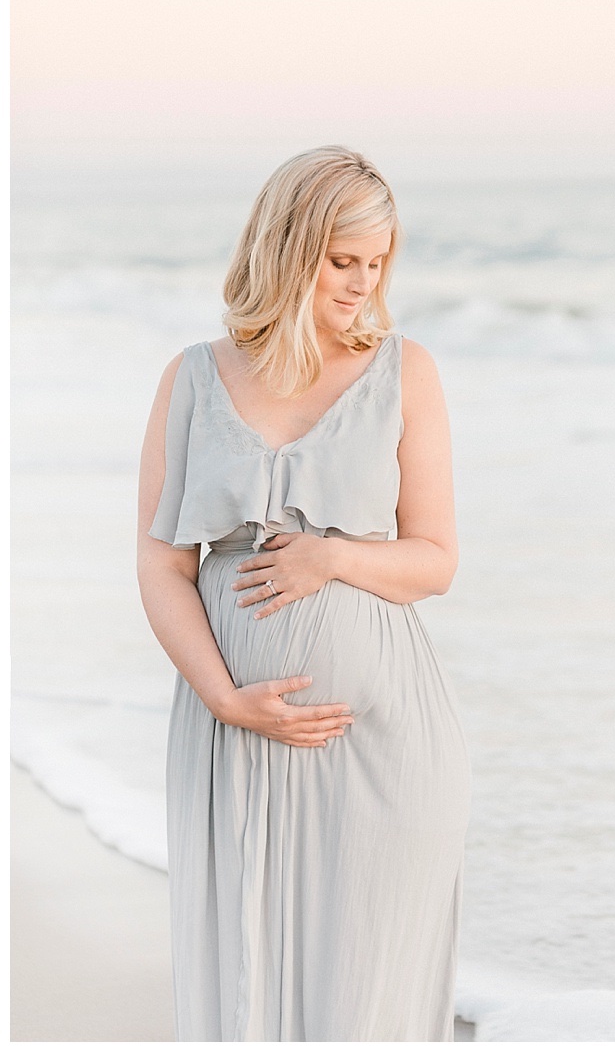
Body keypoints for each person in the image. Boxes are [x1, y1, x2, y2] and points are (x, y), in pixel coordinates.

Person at [137, 145, 472, 1041]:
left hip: (384, 741)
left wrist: (329, 557)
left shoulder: (408, 372)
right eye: (342, 262)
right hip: (230, 732)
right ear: (289, 250)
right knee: (244, 985)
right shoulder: (193, 379)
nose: (362, 284)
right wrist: (224, 698)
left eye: (377, 263)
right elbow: (162, 564)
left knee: (368, 999)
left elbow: (435, 560)